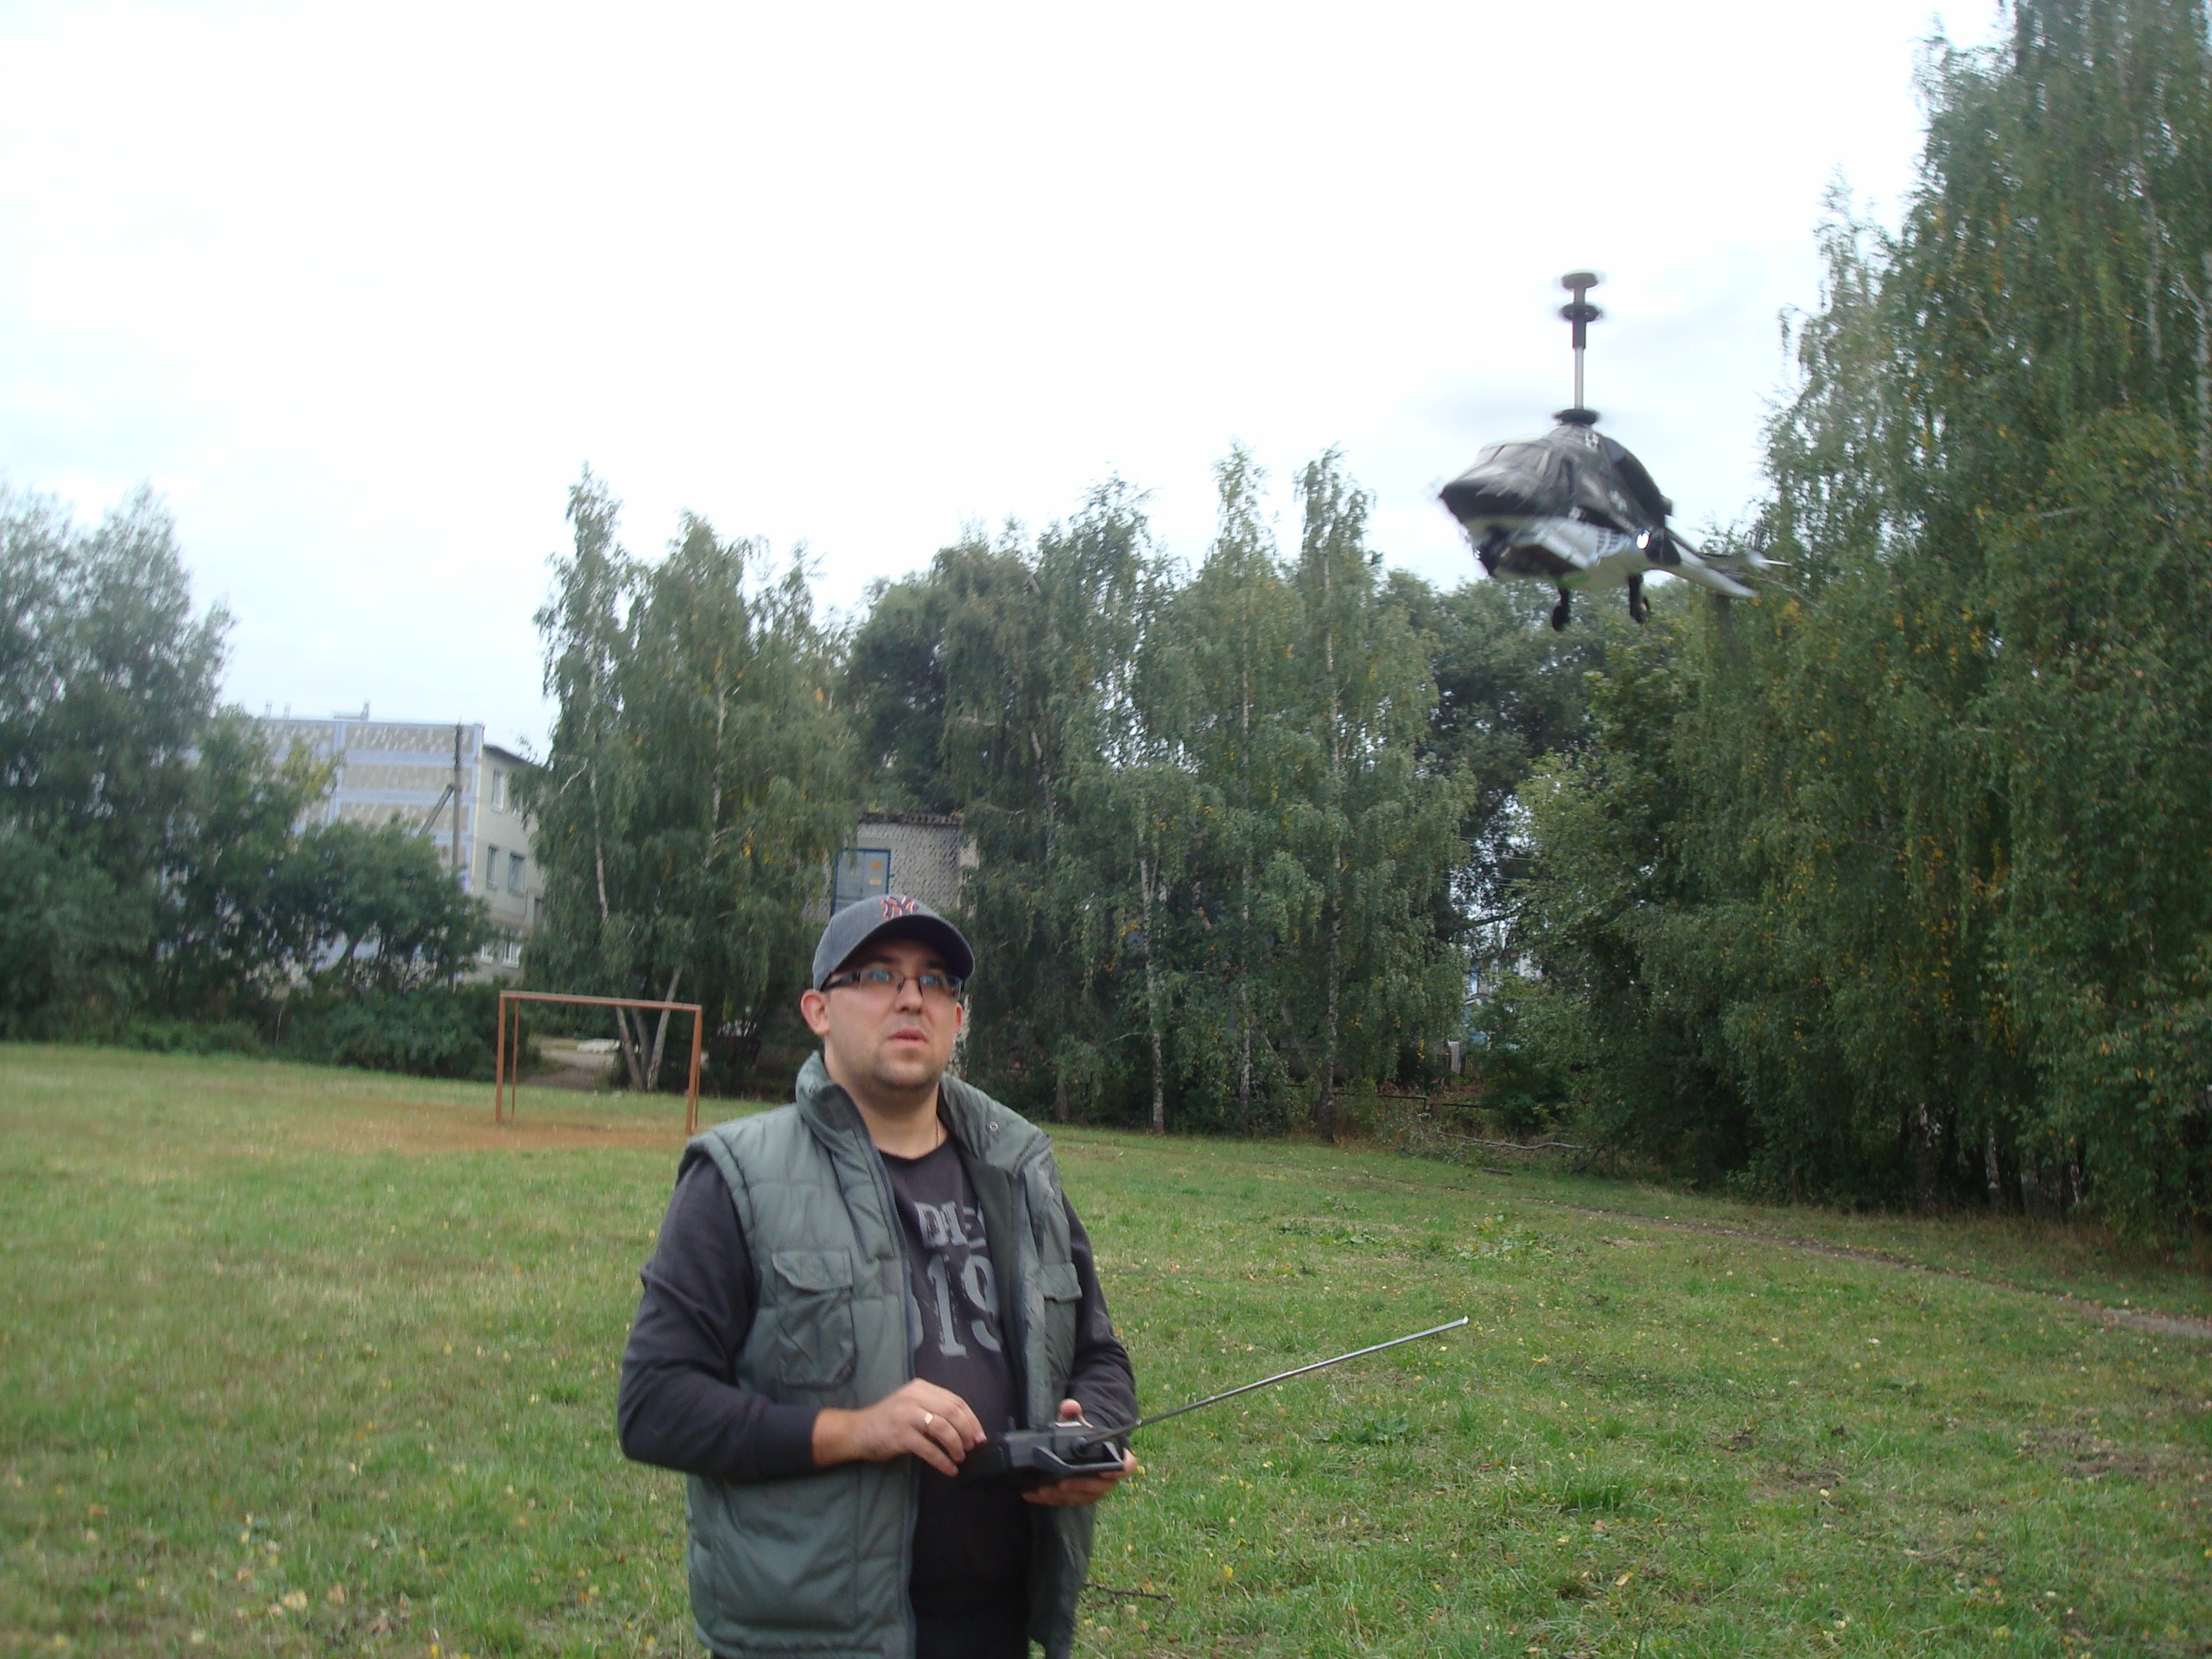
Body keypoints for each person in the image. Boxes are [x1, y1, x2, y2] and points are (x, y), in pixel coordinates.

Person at [618, 893, 1136, 1659]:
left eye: (935, 981)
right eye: (877, 974)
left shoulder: (1020, 1170)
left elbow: (1099, 1356)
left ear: (958, 1018)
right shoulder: (736, 1177)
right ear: (818, 1011)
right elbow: (655, 1405)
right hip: (817, 1637)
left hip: (993, 1628)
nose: (911, 998)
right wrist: (856, 1432)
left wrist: (1089, 1435)